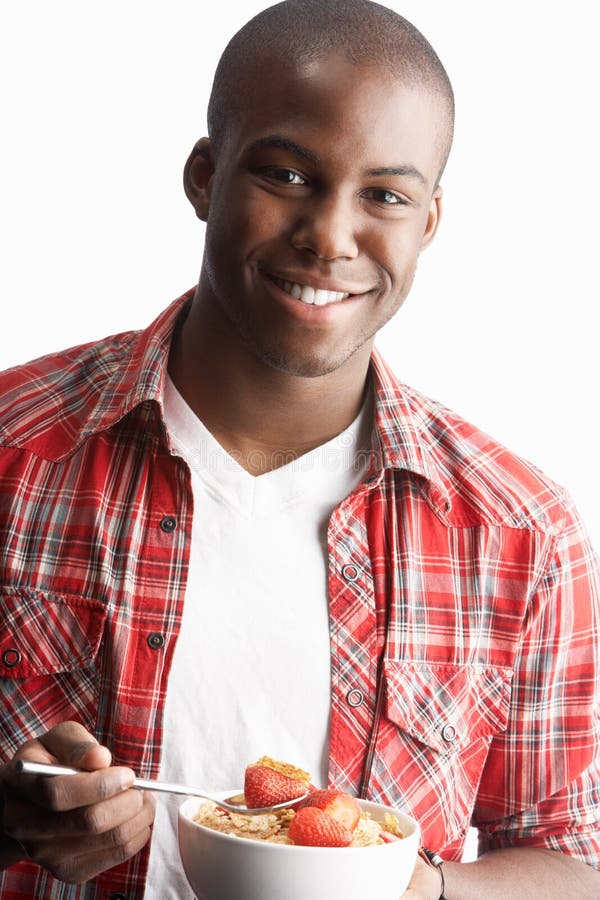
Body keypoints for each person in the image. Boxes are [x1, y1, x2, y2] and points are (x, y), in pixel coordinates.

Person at [1, 0, 599, 897]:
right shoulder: (16, 452)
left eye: (385, 196)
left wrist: (424, 888)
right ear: (205, 177)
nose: (329, 236)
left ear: (428, 223)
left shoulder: (520, 532)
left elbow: (575, 858)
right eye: (285, 175)